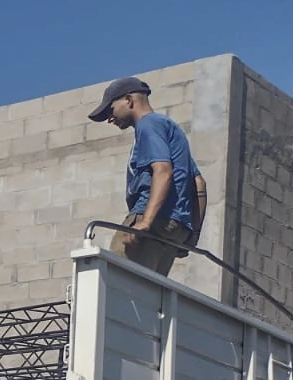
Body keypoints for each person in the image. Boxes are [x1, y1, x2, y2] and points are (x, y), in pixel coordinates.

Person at [89, 76, 208, 278]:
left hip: (152, 220)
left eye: (111, 110)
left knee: (115, 284)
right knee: (148, 297)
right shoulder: (171, 128)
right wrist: (192, 234)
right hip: (174, 228)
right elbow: (198, 183)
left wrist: (145, 221)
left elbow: (163, 170)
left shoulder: (147, 125)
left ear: (128, 100)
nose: (110, 118)